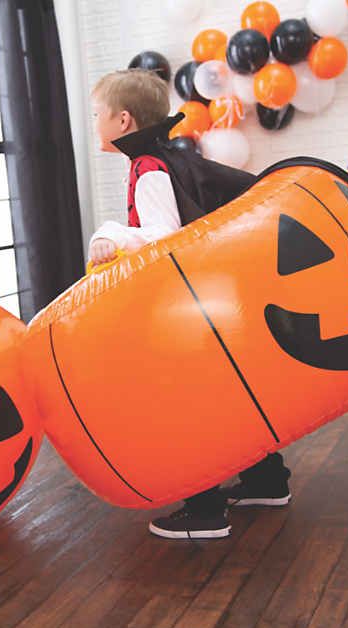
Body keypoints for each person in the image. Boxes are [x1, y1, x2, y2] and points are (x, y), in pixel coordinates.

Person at [89, 69, 291, 540]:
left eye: (97, 114)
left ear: (123, 120)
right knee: (229, 395)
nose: (93, 121)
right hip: (208, 303)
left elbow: (164, 239)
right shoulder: (165, 157)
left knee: (187, 405)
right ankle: (266, 478)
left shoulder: (149, 169)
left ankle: (204, 509)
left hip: (184, 310)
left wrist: (112, 233)